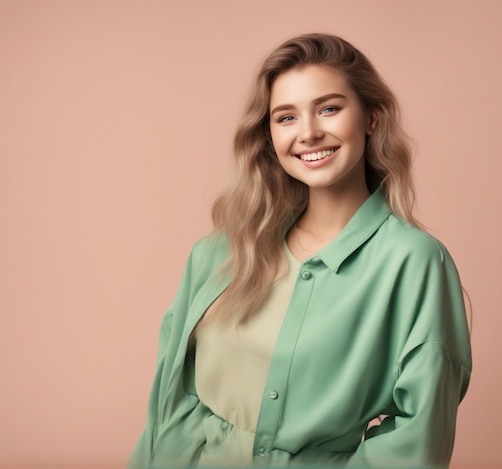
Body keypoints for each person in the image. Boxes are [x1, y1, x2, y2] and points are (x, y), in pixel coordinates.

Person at [130, 33, 472, 469]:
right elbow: (168, 403)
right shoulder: (219, 252)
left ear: (371, 117)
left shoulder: (414, 263)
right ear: (269, 133)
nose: (309, 133)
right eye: (286, 117)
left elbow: (418, 438)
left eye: (329, 108)